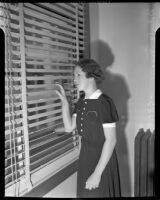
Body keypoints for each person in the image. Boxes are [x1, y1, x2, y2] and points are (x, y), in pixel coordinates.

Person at [55, 58, 121, 198]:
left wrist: (97, 174)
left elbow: (111, 140)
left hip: (102, 160)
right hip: (85, 158)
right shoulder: (81, 102)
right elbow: (69, 127)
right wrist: (65, 104)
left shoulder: (104, 103)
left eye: (78, 75)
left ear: (91, 77)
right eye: (74, 76)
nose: (74, 80)